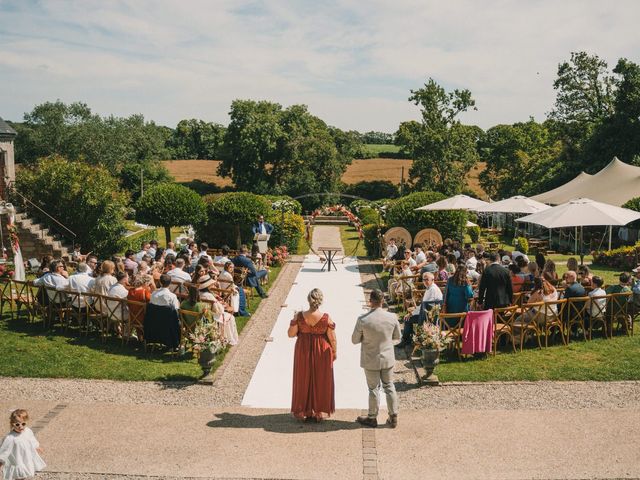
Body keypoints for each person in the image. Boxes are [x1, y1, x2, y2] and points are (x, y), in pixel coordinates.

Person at [352, 289, 401, 428]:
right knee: (389, 386)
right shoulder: (392, 317)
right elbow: (397, 336)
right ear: (383, 301)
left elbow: (354, 340)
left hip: (371, 358)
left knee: (373, 388)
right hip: (387, 357)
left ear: (370, 301)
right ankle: (393, 416)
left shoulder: (363, 320)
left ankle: (372, 417)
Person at [288, 288, 336, 422]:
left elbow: (291, 334)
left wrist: (293, 319)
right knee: (320, 380)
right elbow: (332, 338)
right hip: (321, 350)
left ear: (308, 300)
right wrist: (334, 351)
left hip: (303, 349)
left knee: (303, 378)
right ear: (320, 301)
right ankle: (318, 411)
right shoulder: (326, 317)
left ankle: (303, 410)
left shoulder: (299, 316)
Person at [397, 272, 443, 348]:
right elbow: (424, 305)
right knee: (408, 318)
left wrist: (411, 313)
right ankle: (409, 339)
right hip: (427, 314)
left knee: (407, 319)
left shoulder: (432, 290)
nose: (425, 281)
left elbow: (425, 306)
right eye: (423, 279)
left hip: (428, 317)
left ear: (432, 280)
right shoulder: (430, 288)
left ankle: (406, 340)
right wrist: (415, 310)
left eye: (427, 279)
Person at [0, 409, 46, 480]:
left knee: (24, 473)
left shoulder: (27, 431)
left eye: (23, 424)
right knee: (19, 475)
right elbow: (4, 450)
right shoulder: (10, 438)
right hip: (17, 460)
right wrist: (1, 461)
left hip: (25, 457)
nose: (20, 426)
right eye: (17, 424)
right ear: (12, 423)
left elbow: (31, 439)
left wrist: (37, 446)